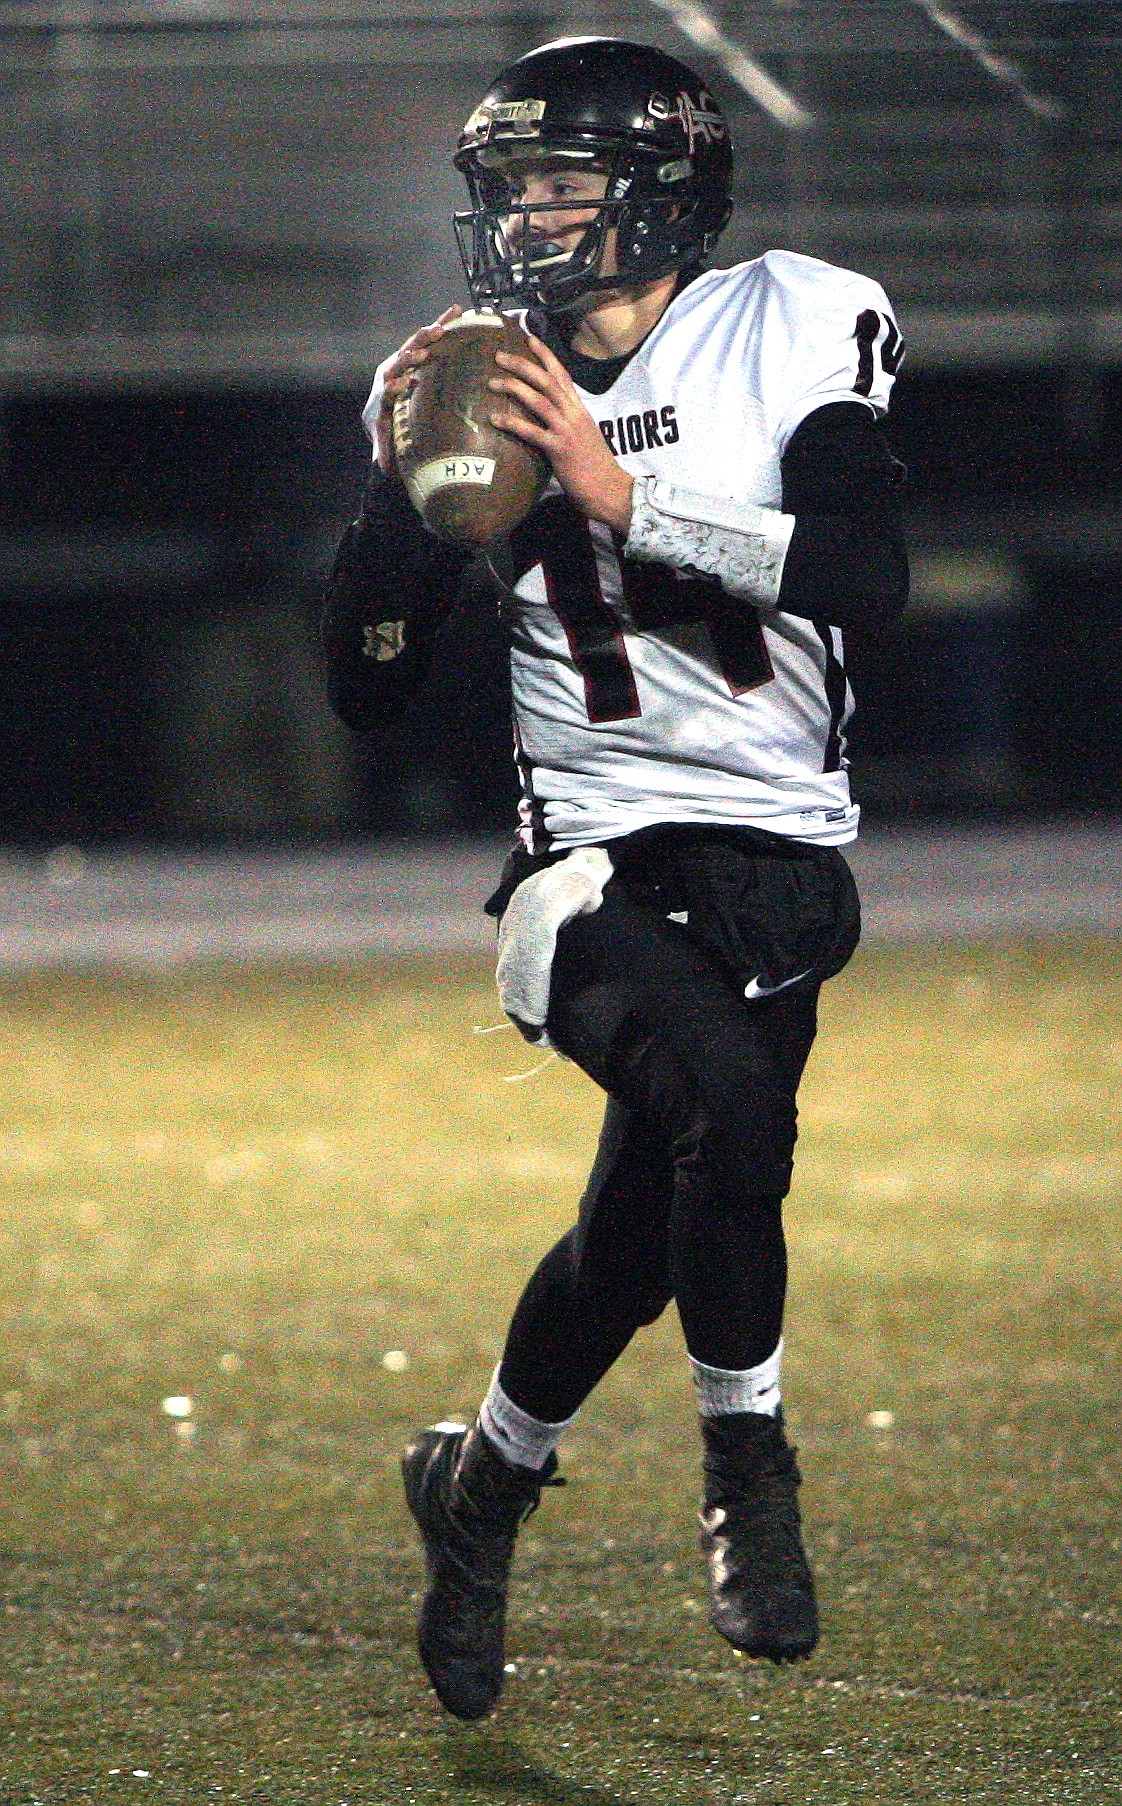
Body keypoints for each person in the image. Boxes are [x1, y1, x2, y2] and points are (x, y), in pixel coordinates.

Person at [322, 35, 908, 1722]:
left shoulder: (790, 317)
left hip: (775, 850)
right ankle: (748, 1472)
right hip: (583, 858)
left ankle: (483, 1482)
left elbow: (865, 574)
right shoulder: (468, 374)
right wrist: (392, 500)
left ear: (663, 187)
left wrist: (618, 494)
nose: (525, 212)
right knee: (725, 1103)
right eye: (507, 183)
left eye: (559, 178)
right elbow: (365, 685)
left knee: (636, 1240)